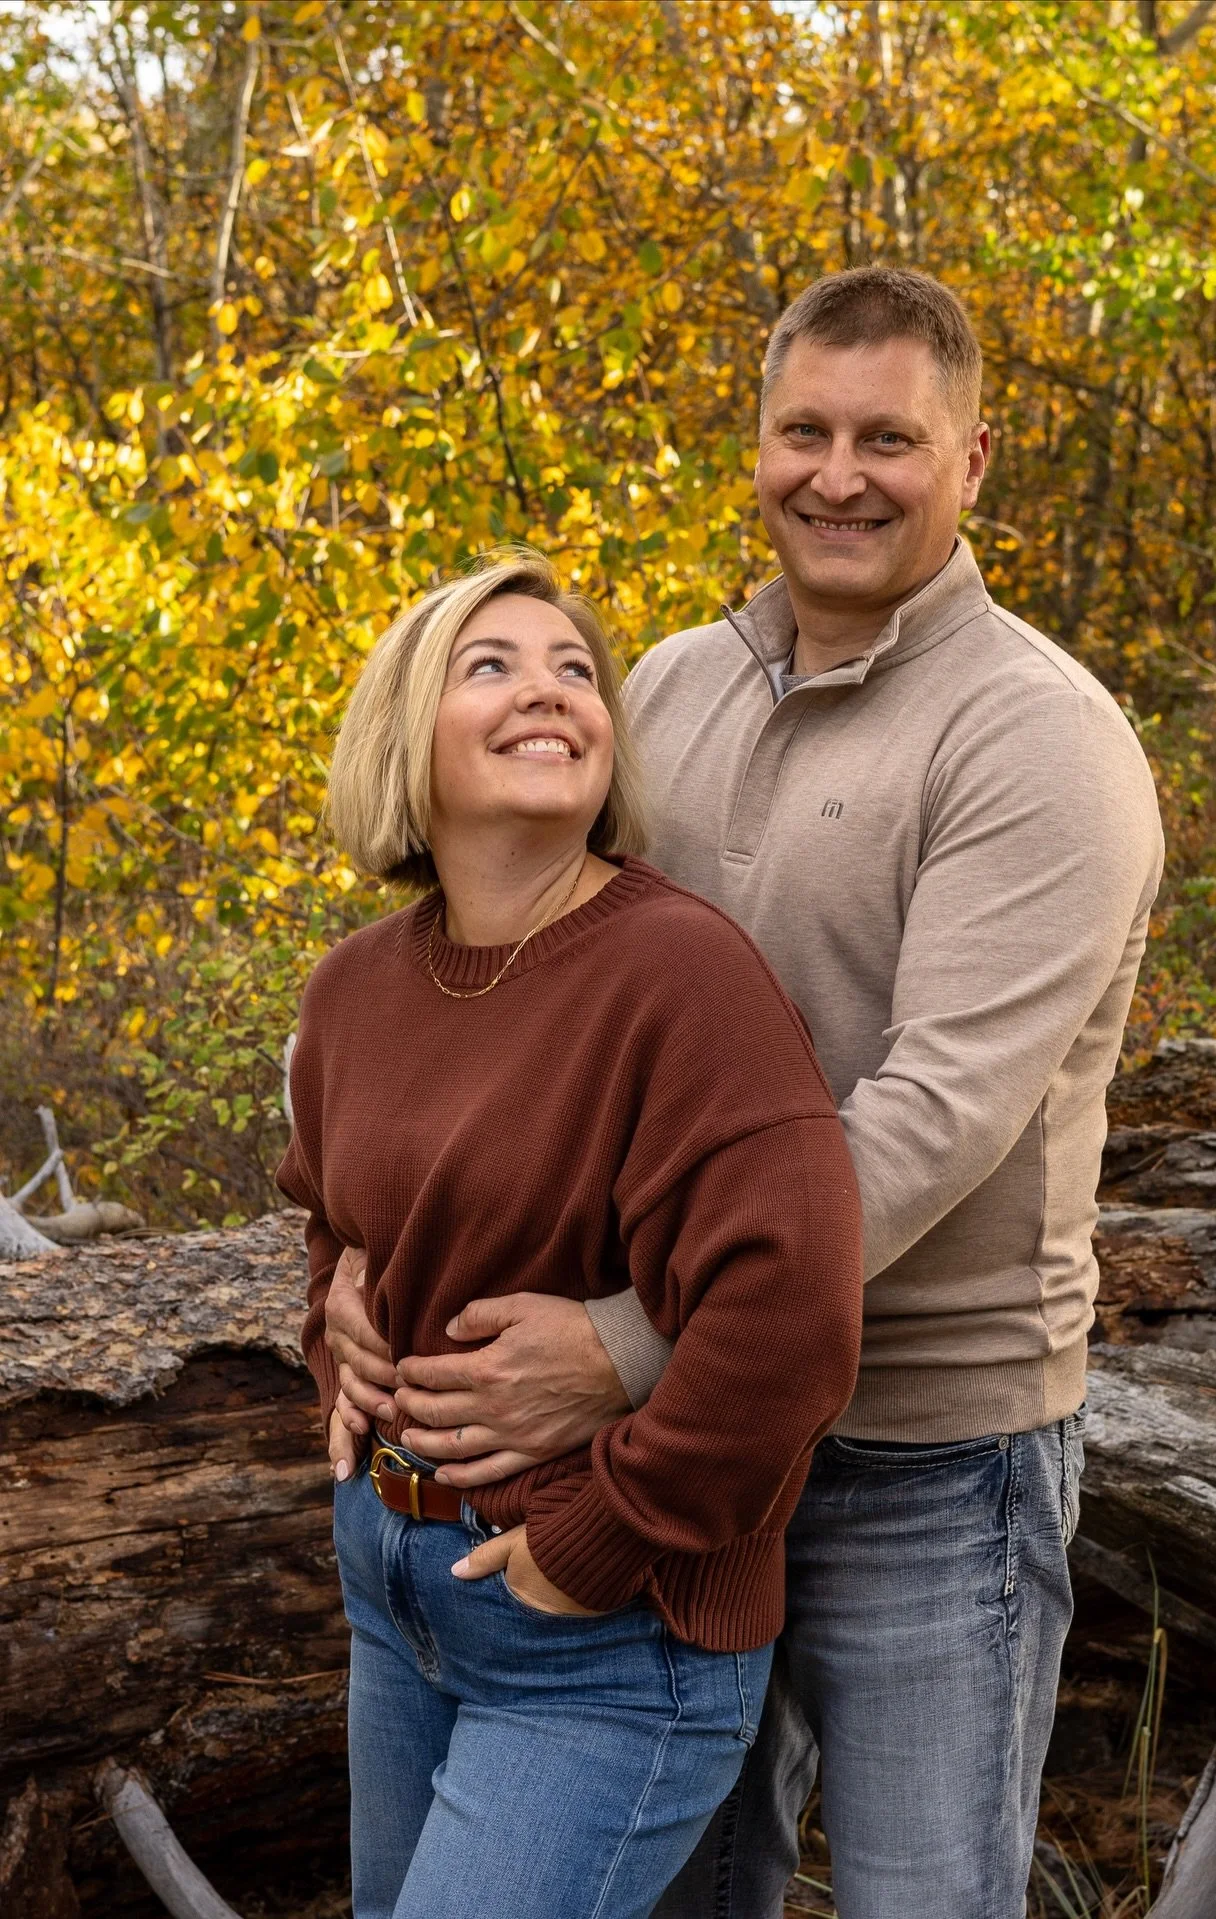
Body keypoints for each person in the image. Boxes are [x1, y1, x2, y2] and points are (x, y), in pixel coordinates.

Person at [326, 268, 1165, 1917]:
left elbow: (930, 1123)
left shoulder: (1040, 739)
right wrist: (359, 1261)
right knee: (683, 1888)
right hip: (671, 1448)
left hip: (926, 1448)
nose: (838, 473)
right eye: (805, 430)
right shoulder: (673, 688)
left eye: (889, 438)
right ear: (759, 442)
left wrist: (630, 1338)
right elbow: (535, 1001)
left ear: (974, 459)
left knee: (926, 1893)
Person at [276, 549, 864, 1919]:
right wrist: (335, 1328)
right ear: (407, 735)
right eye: (493, 665)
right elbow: (325, 1213)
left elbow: (794, 1314)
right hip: (395, 1586)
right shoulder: (358, 985)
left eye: (576, 671)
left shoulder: (680, 973)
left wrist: (609, 1530)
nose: (550, 691)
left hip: (599, 1633)